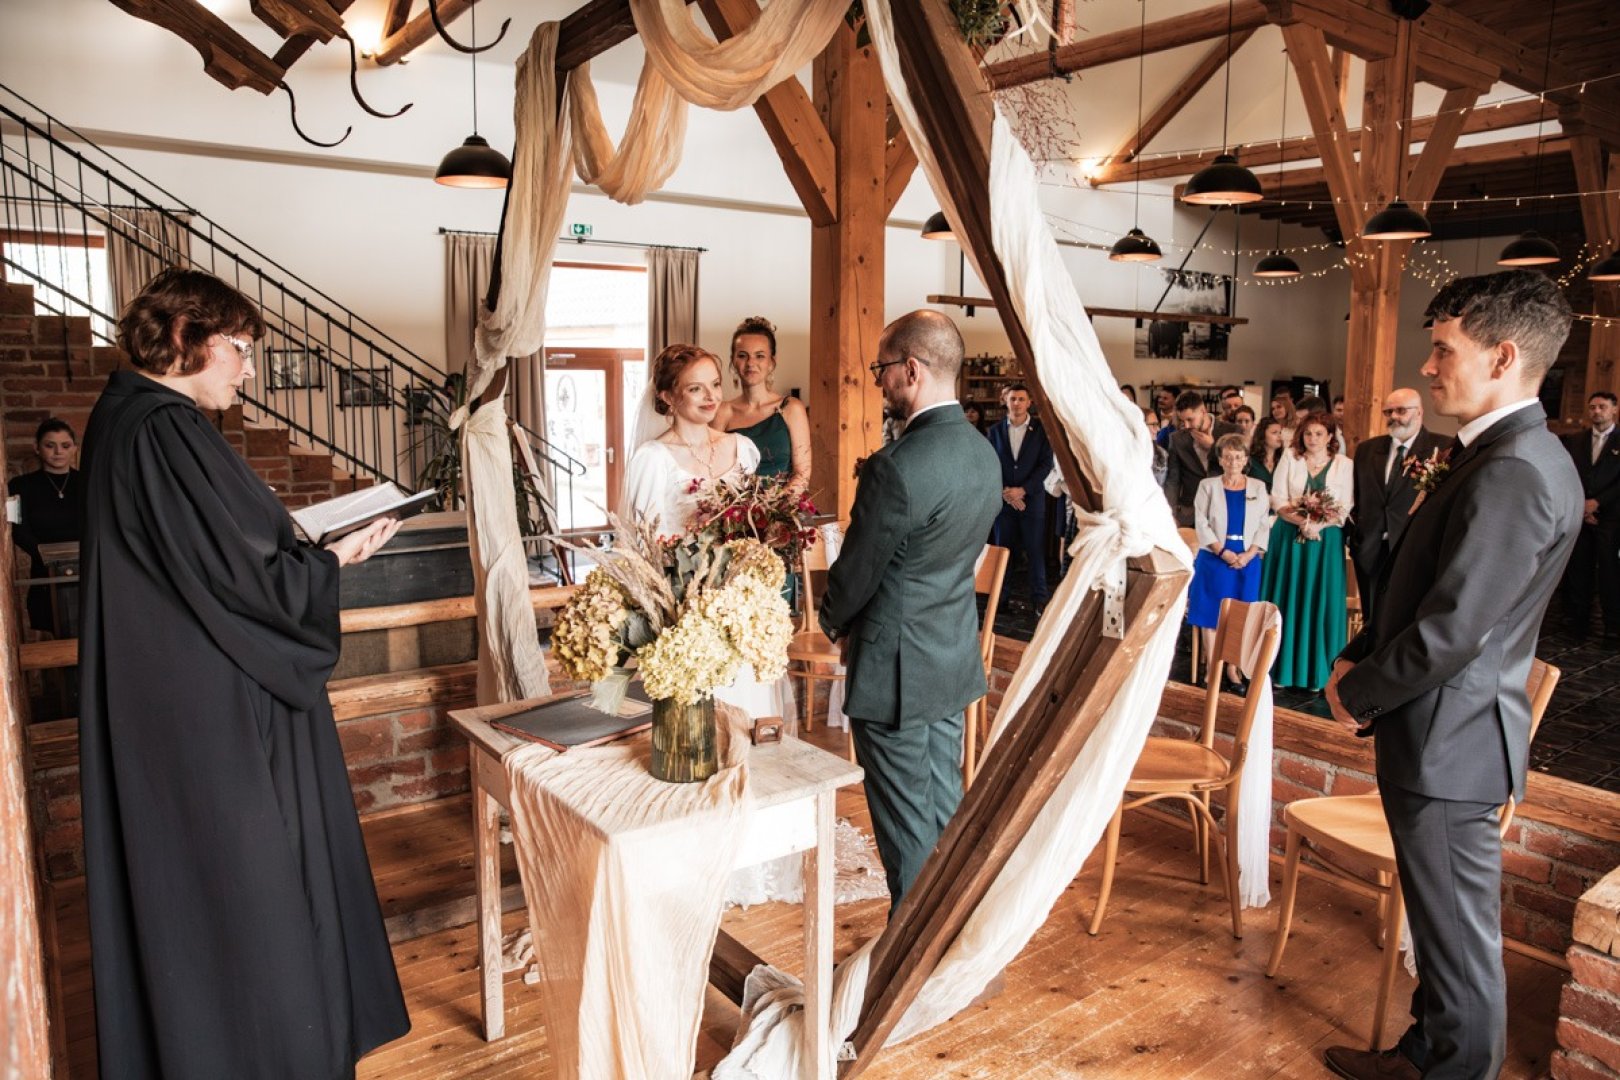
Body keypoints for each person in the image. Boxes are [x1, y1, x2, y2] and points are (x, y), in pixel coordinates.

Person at [78, 268, 409, 1079]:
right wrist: (330, 560)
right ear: (185, 337)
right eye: (240, 348)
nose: (249, 371)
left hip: (173, 696)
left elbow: (209, 550)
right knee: (253, 890)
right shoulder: (166, 427)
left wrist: (293, 540)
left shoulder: (125, 417)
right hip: (214, 707)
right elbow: (244, 582)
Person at [1323, 270, 1583, 1080]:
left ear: (1502, 358)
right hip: (1445, 734)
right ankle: (1425, 1053)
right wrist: (1362, 650)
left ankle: (1455, 1069)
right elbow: (1429, 584)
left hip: (1452, 742)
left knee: (1460, 945)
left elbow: (1455, 629)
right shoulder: (1505, 453)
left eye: (1443, 351)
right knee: (1442, 932)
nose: (1428, 367)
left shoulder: (1515, 470)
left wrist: (1356, 693)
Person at [818, 310, 1002, 908]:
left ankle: (909, 952)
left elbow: (856, 572)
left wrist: (831, 622)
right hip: (950, 657)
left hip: (895, 670)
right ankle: (949, 938)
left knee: (905, 829)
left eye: (882, 370)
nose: (879, 381)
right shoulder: (983, 454)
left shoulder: (896, 466)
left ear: (912, 370)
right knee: (944, 813)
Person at [1260, 413, 1353, 690]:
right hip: (1290, 536)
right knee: (1288, 597)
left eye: (1319, 434)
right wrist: (1302, 522)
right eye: (1308, 433)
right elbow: (1277, 498)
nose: (1313, 439)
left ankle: (1317, 673)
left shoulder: (1344, 464)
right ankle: (1281, 669)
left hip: (1325, 541)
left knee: (1319, 598)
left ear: (1330, 436)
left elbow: (1345, 505)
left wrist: (1318, 525)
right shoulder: (1291, 457)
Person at [1348, 388, 1447, 623]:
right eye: (1388, 412)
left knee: (1404, 620)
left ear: (1419, 412)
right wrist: (1358, 538)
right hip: (1371, 550)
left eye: (1401, 410)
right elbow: (1359, 497)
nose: (1394, 416)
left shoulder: (1441, 448)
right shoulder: (1367, 450)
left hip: (1413, 549)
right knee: (1371, 620)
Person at [1187, 434, 1270, 688]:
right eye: (1228, 457)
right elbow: (1201, 522)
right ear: (1220, 460)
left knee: (1240, 617)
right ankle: (1213, 670)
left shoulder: (1258, 487)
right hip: (1214, 558)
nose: (1233, 462)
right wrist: (1222, 551)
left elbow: (1264, 524)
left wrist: (1249, 554)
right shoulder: (1208, 486)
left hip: (1247, 560)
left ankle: (1233, 670)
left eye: (1238, 457)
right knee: (1210, 614)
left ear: (1245, 460)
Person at [712, 315, 810, 493]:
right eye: (743, 356)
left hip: (784, 506)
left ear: (772, 362)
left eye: (759, 356)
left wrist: (775, 507)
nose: (751, 363)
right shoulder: (722, 412)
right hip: (733, 507)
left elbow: (802, 474)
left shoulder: (791, 408)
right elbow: (712, 471)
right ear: (733, 361)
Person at [8, 418, 85, 636]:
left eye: (65, 445)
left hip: (86, 568)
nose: (58, 452)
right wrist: (47, 556)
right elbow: (18, 530)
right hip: (44, 572)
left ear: (74, 448)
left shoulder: (88, 483)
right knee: (51, 635)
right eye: (50, 445)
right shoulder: (20, 486)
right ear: (37, 448)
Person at [986, 383, 1054, 613]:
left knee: (1035, 552)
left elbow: (1045, 464)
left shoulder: (1041, 430)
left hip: (1031, 502)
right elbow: (989, 464)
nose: (1016, 403)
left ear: (1029, 403)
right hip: (1004, 502)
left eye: (1021, 399)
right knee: (1004, 553)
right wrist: (1006, 491)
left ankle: (1039, 600)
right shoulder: (994, 431)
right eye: (1013, 399)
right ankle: (1000, 600)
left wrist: (1023, 490)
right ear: (1006, 401)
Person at [1560, 391, 1620, 641]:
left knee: (1609, 573)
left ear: (1614, 409)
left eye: (1602, 407)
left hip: (1611, 517)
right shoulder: (1576, 440)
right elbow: (1567, 473)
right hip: (1581, 514)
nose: (1596, 411)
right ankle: (1578, 624)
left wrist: (1598, 503)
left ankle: (1612, 627)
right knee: (1579, 570)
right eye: (1593, 407)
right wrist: (1583, 506)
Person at [1163, 390, 1239, 528]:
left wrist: (1213, 447)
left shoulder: (1232, 431)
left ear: (1203, 411)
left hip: (1225, 508)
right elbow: (1173, 480)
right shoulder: (1177, 439)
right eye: (1182, 421)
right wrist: (1169, 514)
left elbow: (1244, 468)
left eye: (1190, 419)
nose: (1186, 425)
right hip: (1189, 513)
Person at [1248, 416, 1285, 491]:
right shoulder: (1249, 460)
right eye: (1274, 433)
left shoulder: (1284, 460)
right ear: (1262, 435)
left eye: (1280, 433)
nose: (1280, 436)